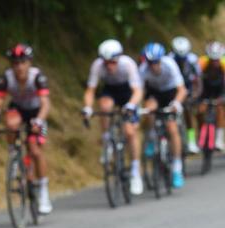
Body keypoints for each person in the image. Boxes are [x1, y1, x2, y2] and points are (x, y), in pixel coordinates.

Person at [82, 39, 145, 195]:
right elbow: (91, 90)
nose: (109, 66)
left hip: (128, 93)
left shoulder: (128, 64)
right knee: (104, 107)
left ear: (119, 58)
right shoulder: (97, 65)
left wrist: (131, 105)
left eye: (113, 62)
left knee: (130, 132)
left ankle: (136, 171)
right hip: (110, 91)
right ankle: (107, 140)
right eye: (106, 62)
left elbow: (137, 91)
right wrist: (88, 108)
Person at [0, 43, 53, 213]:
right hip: (18, 109)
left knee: (35, 150)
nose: (19, 66)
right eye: (15, 63)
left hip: (37, 113)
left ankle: (43, 190)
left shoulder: (37, 77)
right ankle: (14, 153)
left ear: (29, 63)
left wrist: (39, 121)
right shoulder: (6, 78)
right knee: (11, 123)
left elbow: (45, 103)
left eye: (22, 62)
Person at [139, 42, 187, 188]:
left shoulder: (170, 64)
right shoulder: (143, 70)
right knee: (149, 109)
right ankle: (152, 137)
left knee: (172, 128)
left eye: (156, 62)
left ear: (161, 59)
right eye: (150, 63)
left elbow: (182, 90)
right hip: (155, 94)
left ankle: (177, 169)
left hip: (171, 93)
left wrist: (177, 104)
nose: (153, 66)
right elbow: (139, 91)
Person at [170, 36, 202, 154]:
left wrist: (195, 94)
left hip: (187, 88)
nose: (182, 60)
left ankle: (191, 141)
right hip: (173, 89)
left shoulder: (193, 60)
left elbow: (198, 79)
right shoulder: (169, 59)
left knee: (188, 111)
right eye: (180, 57)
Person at [196, 41, 225, 151]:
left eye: (217, 60)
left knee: (220, 110)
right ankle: (201, 135)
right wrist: (197, 98)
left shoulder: (224, 64)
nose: (214, 62)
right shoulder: (202, 63)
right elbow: (197, 83)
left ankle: (219, 139)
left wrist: (222, 98)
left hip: (220, 90)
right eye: (212, 60)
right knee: (200, 111)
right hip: (205, 90)